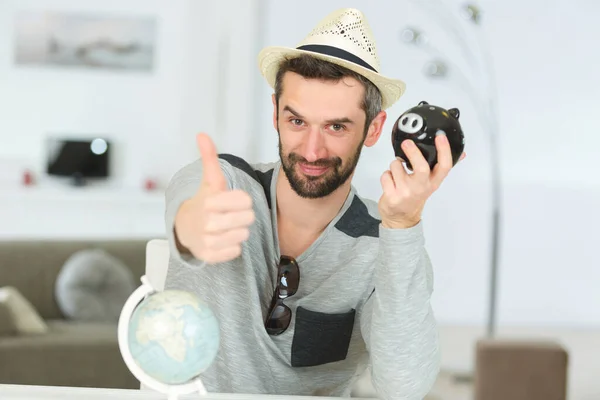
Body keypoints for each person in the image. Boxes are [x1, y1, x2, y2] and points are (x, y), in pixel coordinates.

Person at [164, 7, 465, 400]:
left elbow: (405, 387)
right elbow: (188, 206)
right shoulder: (223, 184)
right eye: (297, 121)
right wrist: (190, 230)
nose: (311, 149)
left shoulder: (387, 242)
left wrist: (404, 225)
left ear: (373, 129)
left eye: (336, 126)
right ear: (275, 113)